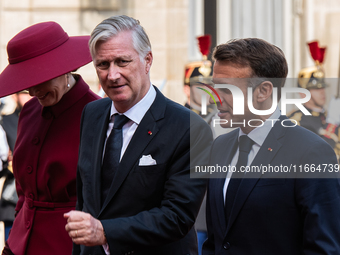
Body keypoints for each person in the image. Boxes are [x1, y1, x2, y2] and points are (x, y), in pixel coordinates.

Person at [64, 15, 213, 255]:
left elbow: (177, 216)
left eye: (122, 62)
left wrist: (105, 231)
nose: (112, 75)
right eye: (103, 65)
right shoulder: (91, 114)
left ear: (147, 60)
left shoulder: (188, 127)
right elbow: (85, 202)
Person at [202, 38, 340, 254]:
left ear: (263, 91)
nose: (214, 98)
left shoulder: (311, 152)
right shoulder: (220, 146)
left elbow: (324, 247)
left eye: (227, 89)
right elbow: (216, 240)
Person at [0, 21, 100, 255]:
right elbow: (25, 193)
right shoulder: (30, 110)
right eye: (27, 85)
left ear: (64, 68)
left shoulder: (97, 113)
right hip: (19, 244)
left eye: (40, 81)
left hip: (68, 246)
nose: (33, 92)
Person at [288, 41, 340, 158]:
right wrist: (331, 124)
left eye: (322, 87)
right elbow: (317, 156)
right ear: (302, 93)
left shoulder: (330, 115)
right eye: (316, 89)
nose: (322, 91)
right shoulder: (295, 122)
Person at [0, 90, 31, 240]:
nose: (30, 95)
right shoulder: (4, 122)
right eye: (25, 92)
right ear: (14, 95)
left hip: (39, 199)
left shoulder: (43, 118)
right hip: (13, 198)